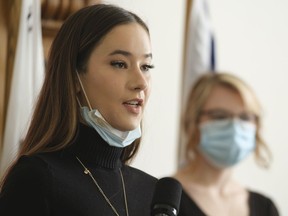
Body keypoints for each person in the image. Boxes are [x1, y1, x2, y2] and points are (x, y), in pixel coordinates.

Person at [0, 4, 158, 215]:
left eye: (146, 67)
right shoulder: (37, 179)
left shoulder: (155, 194)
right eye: (120, 64)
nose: (141, 82)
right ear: (74, 77)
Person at [175, 72, 279, 216]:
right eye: (220, 116)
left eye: (245, 117)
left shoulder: (265, 207)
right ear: (193, 121)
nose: (234, 128)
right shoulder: (163, 198)